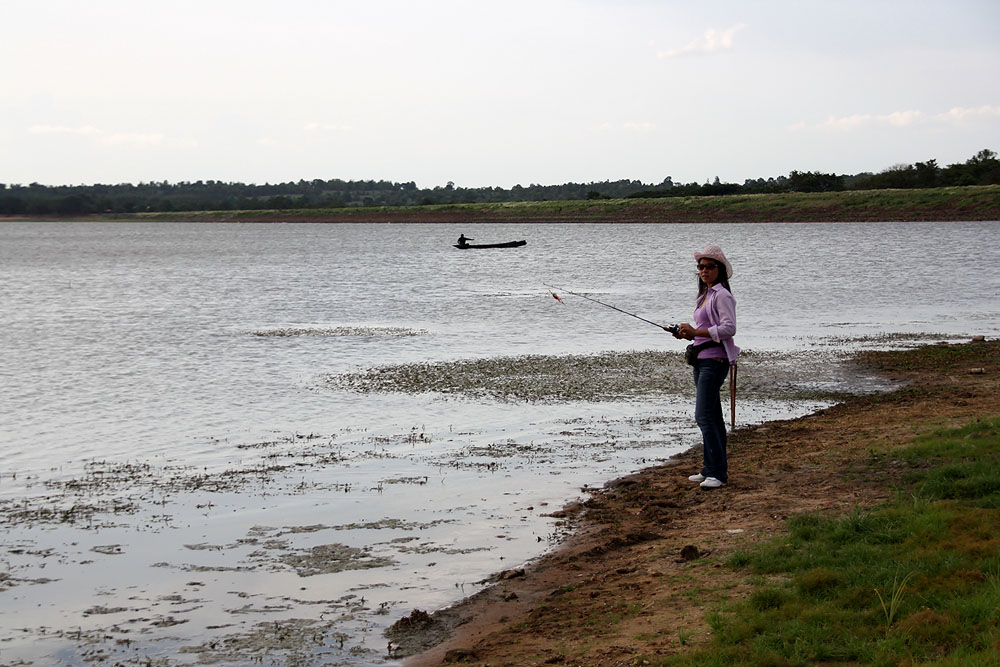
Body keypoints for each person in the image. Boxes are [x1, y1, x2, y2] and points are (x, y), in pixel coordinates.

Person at [669, 245, 739, 489]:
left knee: (704, 416)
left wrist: (696, 331)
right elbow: (705, 332)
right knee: (713, 416)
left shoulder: (722, 295)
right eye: (701, 267)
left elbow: (729, 328)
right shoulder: (705, 296)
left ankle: (718, 475)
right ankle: (711, 468)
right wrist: (685, 334)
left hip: (715, 361)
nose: (704, 271)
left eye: (709, 267)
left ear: (719, 269)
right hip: (701, 359)